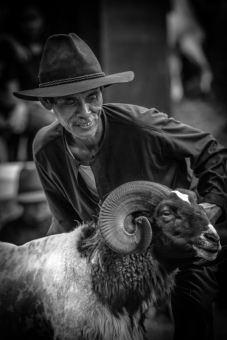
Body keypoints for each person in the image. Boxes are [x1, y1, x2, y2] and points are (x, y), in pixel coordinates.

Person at [13, 33, 227, 340]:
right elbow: (63, 221)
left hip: (181, 241)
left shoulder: (143, 127)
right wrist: (39, 266)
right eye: (70, 102)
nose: (85, 112)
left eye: (92, 97)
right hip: (119, 259)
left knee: (191, 306)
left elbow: (211, 150)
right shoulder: (45, 148)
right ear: (48, 103)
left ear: (102, 93)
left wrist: (214, 202)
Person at [0, 162, 52, 245]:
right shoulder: (10, 232)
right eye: (33, 203)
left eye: (43, 201)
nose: (39, 206)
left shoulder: (57, 226)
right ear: (23, 204)